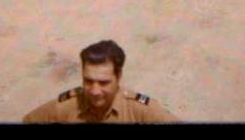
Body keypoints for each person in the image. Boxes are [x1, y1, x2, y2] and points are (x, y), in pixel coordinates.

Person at [23, 40, 178, 123]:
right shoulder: (65, 107)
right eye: (88, 81)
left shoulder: (141, 111)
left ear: (119, 76)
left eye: (104, 83)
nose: (95, 91)